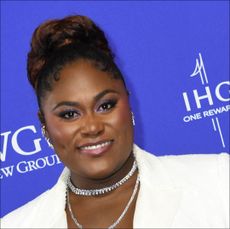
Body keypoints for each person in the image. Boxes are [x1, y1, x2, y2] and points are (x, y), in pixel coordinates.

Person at [1, 15, 229, 229]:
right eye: (69, 114)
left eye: (106, 105)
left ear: (128, 103)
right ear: (45, 127)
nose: (92, 127)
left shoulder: (217, 182)